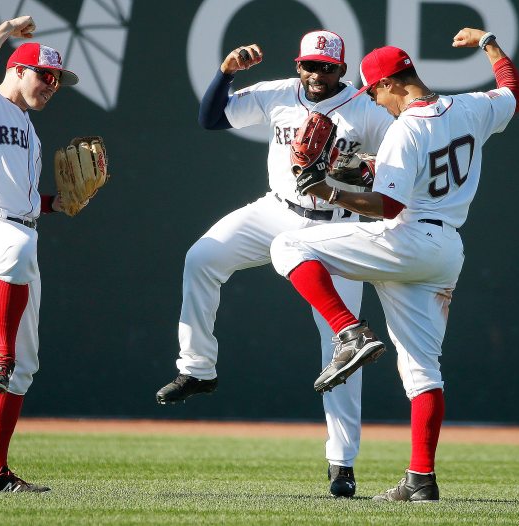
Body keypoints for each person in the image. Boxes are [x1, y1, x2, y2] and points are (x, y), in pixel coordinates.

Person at [270, 27, 519, 501]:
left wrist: (328, 191)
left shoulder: (405, 128)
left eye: (373, 91)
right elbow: (515, 92)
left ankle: (350, 334)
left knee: (288, 247)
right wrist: (489, 44)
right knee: (423, 373)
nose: (374, 100)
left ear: (391, 83)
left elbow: (387, 208)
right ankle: (420, 480)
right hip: (446, 251)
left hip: (406, 236)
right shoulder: (471, 108)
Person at [155, 30, 394, 497]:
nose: (316, 74)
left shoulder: (366, 108)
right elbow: (211, 119)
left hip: (335, 227)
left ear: (342, 70)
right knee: (201, 257)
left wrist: (361, 167)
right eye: (309, 65)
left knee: (344, 350)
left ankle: (341, 465)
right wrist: (225, 72)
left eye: (326, 67)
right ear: (298, 64)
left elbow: (392, 166)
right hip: (277, 209)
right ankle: (198, 370)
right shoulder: (280, 93)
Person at [0, 16, 79, 492]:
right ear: (18, 70)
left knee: (26, 365)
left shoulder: (33, 134)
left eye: (58, 81)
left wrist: (54, 203)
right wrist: (4, 29)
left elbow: (21, 202)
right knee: (18, 247)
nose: (52, 86)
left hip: (15, 238)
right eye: (45, 76)